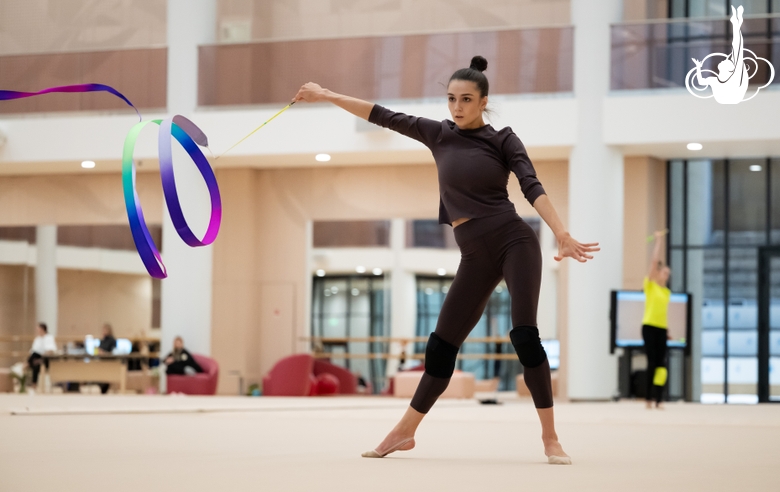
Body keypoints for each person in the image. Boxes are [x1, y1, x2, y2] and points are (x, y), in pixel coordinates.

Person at [294, 55, 600, 465]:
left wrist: (560, 231)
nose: (457, 107)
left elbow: (531, 185)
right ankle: (403, 432)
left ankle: (550, 439)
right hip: (474, 253)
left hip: (514, 241)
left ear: (483, 101)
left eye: (466, 100)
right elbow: (381, 115)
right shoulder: (438, 134)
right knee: (440, 347)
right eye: (452, 99)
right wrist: (326, 94)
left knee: (525, 335)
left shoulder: (503, 140)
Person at [692, 6, 748, 104]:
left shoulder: (733, 78)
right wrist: (698, 67)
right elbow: (701, 82)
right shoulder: (716, 80)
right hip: (728, 98)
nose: (724, 59)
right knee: (737, 52)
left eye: (727, 61)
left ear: (728, 69)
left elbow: (737, 47)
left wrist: (736, 25)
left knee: (737, 51)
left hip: (732, 97)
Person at [642, 230, 671, 409]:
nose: (666, 275)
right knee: (652, 363)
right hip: (649, 327)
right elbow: (654, 262)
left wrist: (668, 331)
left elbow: (663, 314)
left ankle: (659, 399)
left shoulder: (667, 292)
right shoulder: (651, 286)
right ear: (658, 273)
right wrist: (659, 241)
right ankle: (648, 398)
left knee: (662, 365)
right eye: (664, 272)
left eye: (668, 274)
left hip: (661, 328)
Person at [27, 322, 57, 390]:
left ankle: (27, 363)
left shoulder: (49, 338)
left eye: (38, 329)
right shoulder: (37, 339)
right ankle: (34, 384)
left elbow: (51, 350)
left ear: (43, 329)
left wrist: (44, 353)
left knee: (35, 359)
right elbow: (33, 350)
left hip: (46, 358)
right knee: (35, 363)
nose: (37, 331)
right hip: (37, 358)